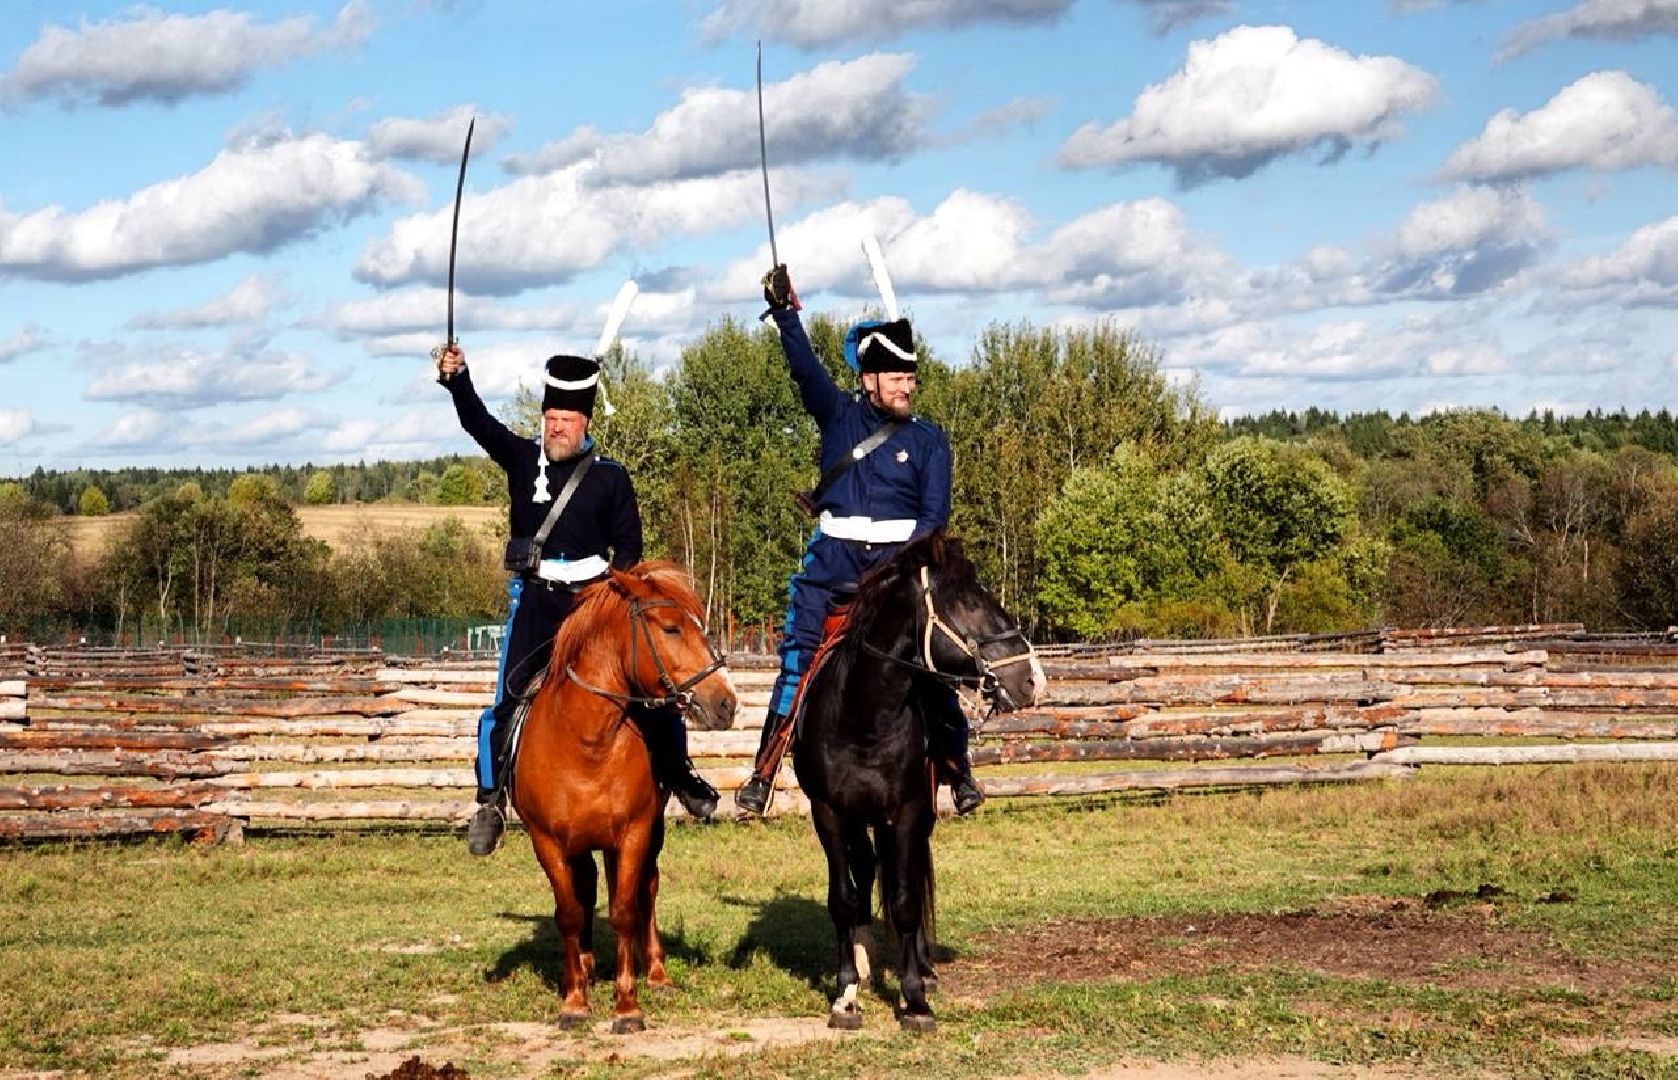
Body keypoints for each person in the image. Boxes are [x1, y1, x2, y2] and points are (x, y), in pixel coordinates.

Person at [435, 342, 719, 855]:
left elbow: (629, 546)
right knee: (510, 695)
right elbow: (479, 423)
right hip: (537, 600)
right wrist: (458, 379)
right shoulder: (521, 458)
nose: (556, 428)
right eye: (550, 417)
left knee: (651, 692)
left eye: (566, 419)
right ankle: (492, 797)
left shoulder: (611, 477)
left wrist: (613, 596)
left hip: (595, 606)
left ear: (585, 423)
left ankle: (679, 774)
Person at [734, 262, 984, 817]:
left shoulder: (929, 441)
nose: (907, 388)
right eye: (896, 379)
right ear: (869, 379)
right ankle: (765, 769)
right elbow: (803, 370)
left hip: (898, 574)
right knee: (797, 664)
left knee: (931, 661)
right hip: (830, 569)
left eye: (911, 380)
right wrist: (784, 312)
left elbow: (932, 518)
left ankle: (957, 767)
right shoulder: (837, 416)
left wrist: (902, 574)